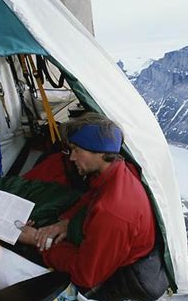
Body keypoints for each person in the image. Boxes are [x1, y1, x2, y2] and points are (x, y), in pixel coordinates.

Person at [18, 113, 156, 291]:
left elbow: (86, 276)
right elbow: (90, 199)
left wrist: (37, 242)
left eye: (77, 150)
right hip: (103, 244)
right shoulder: (117, 170)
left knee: (16, 253)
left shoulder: (113, 213)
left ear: (99, 152)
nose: (72, 158)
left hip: (110, 272)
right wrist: (65, 223)